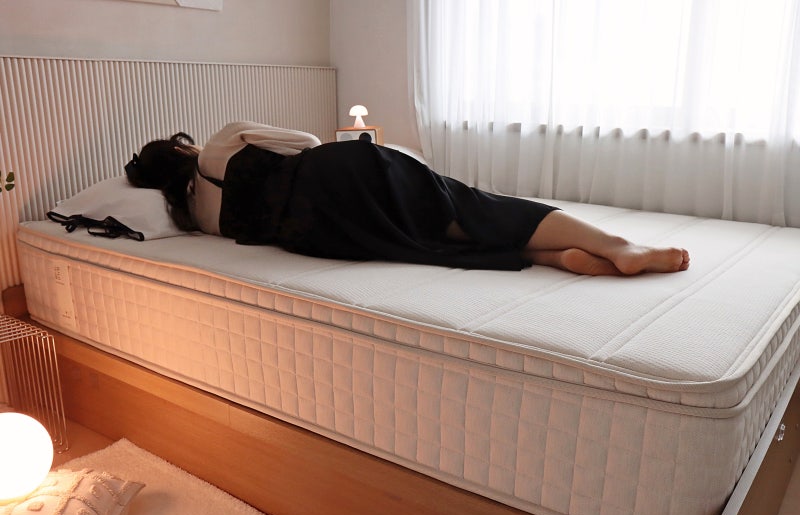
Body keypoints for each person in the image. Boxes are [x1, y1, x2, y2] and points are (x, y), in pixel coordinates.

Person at [125, 121, 689, 276]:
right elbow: (308, 144)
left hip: (319, 235)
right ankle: (617, 245)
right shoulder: (220, 145)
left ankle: (556, 257)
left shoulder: (203, 223)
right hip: (336, 176)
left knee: (429, 239)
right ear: (181, 150)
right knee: (466, 206)